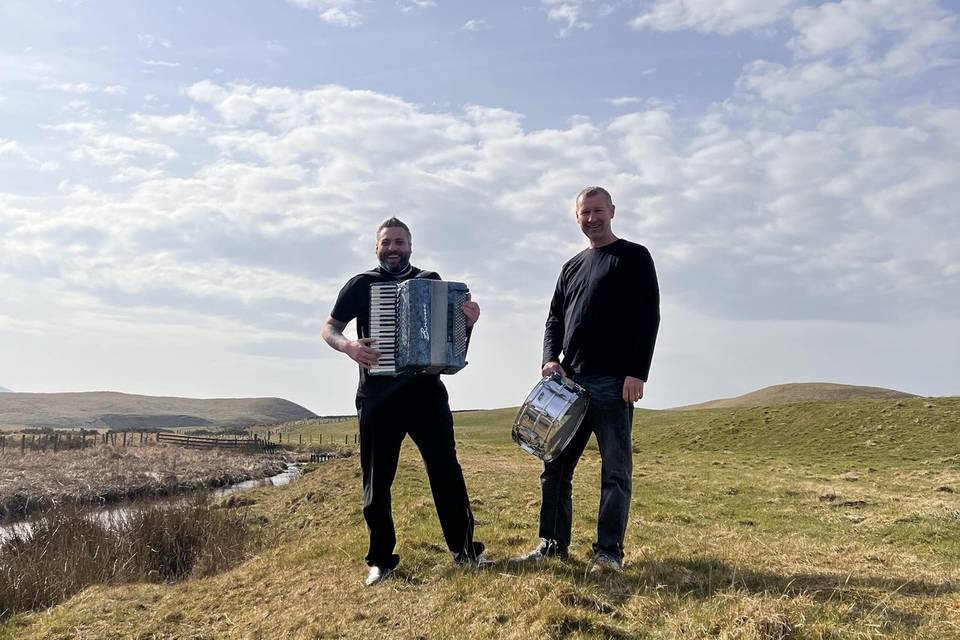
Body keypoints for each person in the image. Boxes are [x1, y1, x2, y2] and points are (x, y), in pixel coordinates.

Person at [321, 217, 487, 587]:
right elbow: (329, 327)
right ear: (377, 247)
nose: (393, 248)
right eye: (386, 242)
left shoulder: (431, 280)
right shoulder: (361, 285)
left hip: (426, 394)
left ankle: (464, 551)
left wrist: (468, 323)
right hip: (378, 398)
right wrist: (347, 345)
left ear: (410, 246)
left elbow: (449, 341)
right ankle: (381, 559)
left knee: (446, 473)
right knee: (377, 482)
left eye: (399, 242)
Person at [515, 186, 660, 572]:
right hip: (569, 385)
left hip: (614, 383)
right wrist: (550, 359)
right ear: (576, 217)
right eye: (585, 213)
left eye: (598, 211)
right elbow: (554, 320)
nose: (592, 218)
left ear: (612, 211)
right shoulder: (571, 266)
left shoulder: (634, 257)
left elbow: (648, 318)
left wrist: (637, 372)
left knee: (615, 471)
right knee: (555, 469)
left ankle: (608, 553)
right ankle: (552, 545)